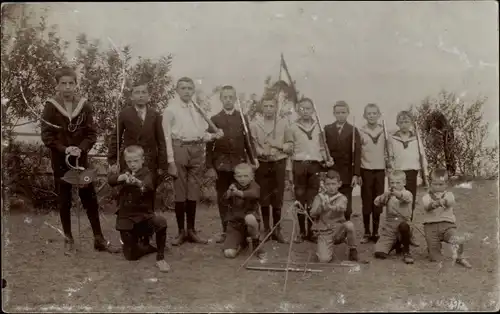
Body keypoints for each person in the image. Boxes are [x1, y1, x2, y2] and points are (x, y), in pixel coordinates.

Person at [41, 66, 120, 255]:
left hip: (81, 160)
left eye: (71, 83)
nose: (67, 87)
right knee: (64, 199)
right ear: (57, 86)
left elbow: (91, 134)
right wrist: (65, 149)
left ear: (76, 85)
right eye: (63, 84)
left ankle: (99, 238)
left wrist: (81, 148)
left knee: (89, 197)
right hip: (61, 161)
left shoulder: (84, 105)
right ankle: (68, 238)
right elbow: (47, 136)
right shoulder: (50, 106)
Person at [107, 78, 173, 248]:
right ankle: (128, 232)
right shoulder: (124, 114)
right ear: (131, 96)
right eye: (137, 92)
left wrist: (162, 166)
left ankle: (147, 235)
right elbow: (115, 137)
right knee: (128, 195)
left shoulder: (155, 115)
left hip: (150, 164)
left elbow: (161, 141)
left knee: (147, 198)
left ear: (149, 96)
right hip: (130, 161)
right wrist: (113, 160)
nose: (141, 95)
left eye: (144, 92)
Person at [162, 77, 223, 246]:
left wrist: (213, 136)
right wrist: (170, 161)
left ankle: (192, 230)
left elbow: (201, 133)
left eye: (190, 88)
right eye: (183, 88)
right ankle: (181, 232)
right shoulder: (170, 110)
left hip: (197, 150)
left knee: (193, 191)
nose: (187, 91)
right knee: (180, 191)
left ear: (193, 90)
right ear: (177, 90)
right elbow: (167, 137)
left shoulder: (197, 109)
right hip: (179, 148)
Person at [205, 85, 258, 244]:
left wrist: (253, 158)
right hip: (221, 165)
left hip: (239, 165)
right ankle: (225, 230)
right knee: (224, 198)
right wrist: (210, 167)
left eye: (231, 97)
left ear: (235, 99)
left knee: (240, 198)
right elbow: (209, 146)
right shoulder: (214, 119)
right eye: (225, 97)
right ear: (221, 99)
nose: (228, 100)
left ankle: (241, 229)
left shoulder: (242, 117)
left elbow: (248, 141)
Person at [108, 145, 170, 272]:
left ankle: (160, 257)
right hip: (126, 217)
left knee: (161, 223)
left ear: (142, 160)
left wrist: (136, 182)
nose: (132, 164)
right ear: (125, 161)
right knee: (131, 257)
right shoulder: (124, 172)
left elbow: (148, 186)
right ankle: (145, 246)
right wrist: (121, 178)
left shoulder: (147, 172)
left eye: (135, 161)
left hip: (144, 216)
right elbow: (111, 180)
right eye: (129, 161)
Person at [250, 94, 293, 243]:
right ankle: (266, 229)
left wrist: (278, 145)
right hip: (262, 164)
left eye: (272, 106)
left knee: (277, 197)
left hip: (278, 163)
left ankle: (277, 230)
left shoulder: (284, 122)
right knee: (264, 197)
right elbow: (252, 144)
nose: (269, 109)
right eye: (266, 106)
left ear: (276, 108)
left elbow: (290, 146)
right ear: (262, 107)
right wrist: (261, 152)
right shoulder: (255, 124)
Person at [289, 98, 332, 243]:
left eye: (308, 108)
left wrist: (327, 159)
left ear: (313, 110)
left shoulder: (319, 126)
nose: (305, 111)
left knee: (313, 199)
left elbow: (322, 146)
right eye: (302, 108)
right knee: (300, 199)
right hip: (299, 164)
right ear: (297, 110)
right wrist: (290, 170)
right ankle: (301, 231)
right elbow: (290, 149)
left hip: (315, 165)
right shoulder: (292, 127)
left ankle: (312, 230)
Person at [421, 168, 471, 268]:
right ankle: (433, 251)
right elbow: (427, 206)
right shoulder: (426, 196)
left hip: (447, 225)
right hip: (431, 227)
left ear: (446, 184)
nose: (438, 187)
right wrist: (434, 204)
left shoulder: (449, 195)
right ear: (430, 183)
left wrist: (443, 201)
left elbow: (450, 201)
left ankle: (460, 256)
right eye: (435, 184)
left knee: (457, 238)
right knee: (435, 257)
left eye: (441, 184)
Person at [310, 170, 359, 263]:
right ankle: (326, 248)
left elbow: (342, 207)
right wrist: (321, 207)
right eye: (328, 184)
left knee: (349, 225)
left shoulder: (342, 197)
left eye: (333, 184)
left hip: (339, 230)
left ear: (339, 184)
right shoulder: (319, 197)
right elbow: (312, 213)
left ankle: (353, 248)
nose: (331, 187)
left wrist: (330, 206)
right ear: (324, 184)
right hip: (325, 231)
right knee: (324, 259)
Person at [324, 101, 361, 221]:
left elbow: (357, 154)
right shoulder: (327, 129)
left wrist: (356, 174)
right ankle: (332, 231)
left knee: (346, 205)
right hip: (332, 172)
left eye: (343, 112)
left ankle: (345, 231)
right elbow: (323, 150)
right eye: (338, 112)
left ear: (348, 113)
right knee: (331, 202)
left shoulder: (353, 130)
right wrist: (324, 167)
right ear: (334, 113)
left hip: (347, 173)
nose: (340, 115)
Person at [222, 163, 266, 260]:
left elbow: (253, 194)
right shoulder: (233, 186)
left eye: (246, 176)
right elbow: (224, 201)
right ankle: (241, 242)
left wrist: (238, 193)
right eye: (239, 176)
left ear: (252, 177)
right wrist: (229, 193)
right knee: (229, 253)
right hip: (236, 225)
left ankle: (255, 241)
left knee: (250, 218)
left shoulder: (255, 186)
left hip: (249, 223)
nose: (242, 179)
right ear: (235, 177)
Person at [358, 103, 386, 243]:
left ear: (379, 115)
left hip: (380, 171)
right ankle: (367, 232)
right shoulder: (361, 132)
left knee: (378, 201)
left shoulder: (384, 131)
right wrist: (357, 173)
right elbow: (356, 153)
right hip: (366, 170)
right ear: (365, 116)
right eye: (369, 113)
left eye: (374, 113)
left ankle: (375, 232)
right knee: (366, 201)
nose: (372, 116)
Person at [373, 170, 414, 264]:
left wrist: (395, 193)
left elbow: (404, 197)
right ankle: (395, 244)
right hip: (390, 227)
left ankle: (406, 250)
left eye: (398, 182)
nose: (394, 185)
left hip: (403, 224)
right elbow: (376, 202)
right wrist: (384, 196)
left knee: (404, 227)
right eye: (392, 182)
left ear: (404, 183)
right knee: (379, 253)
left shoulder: (408, 193)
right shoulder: (388, 194)